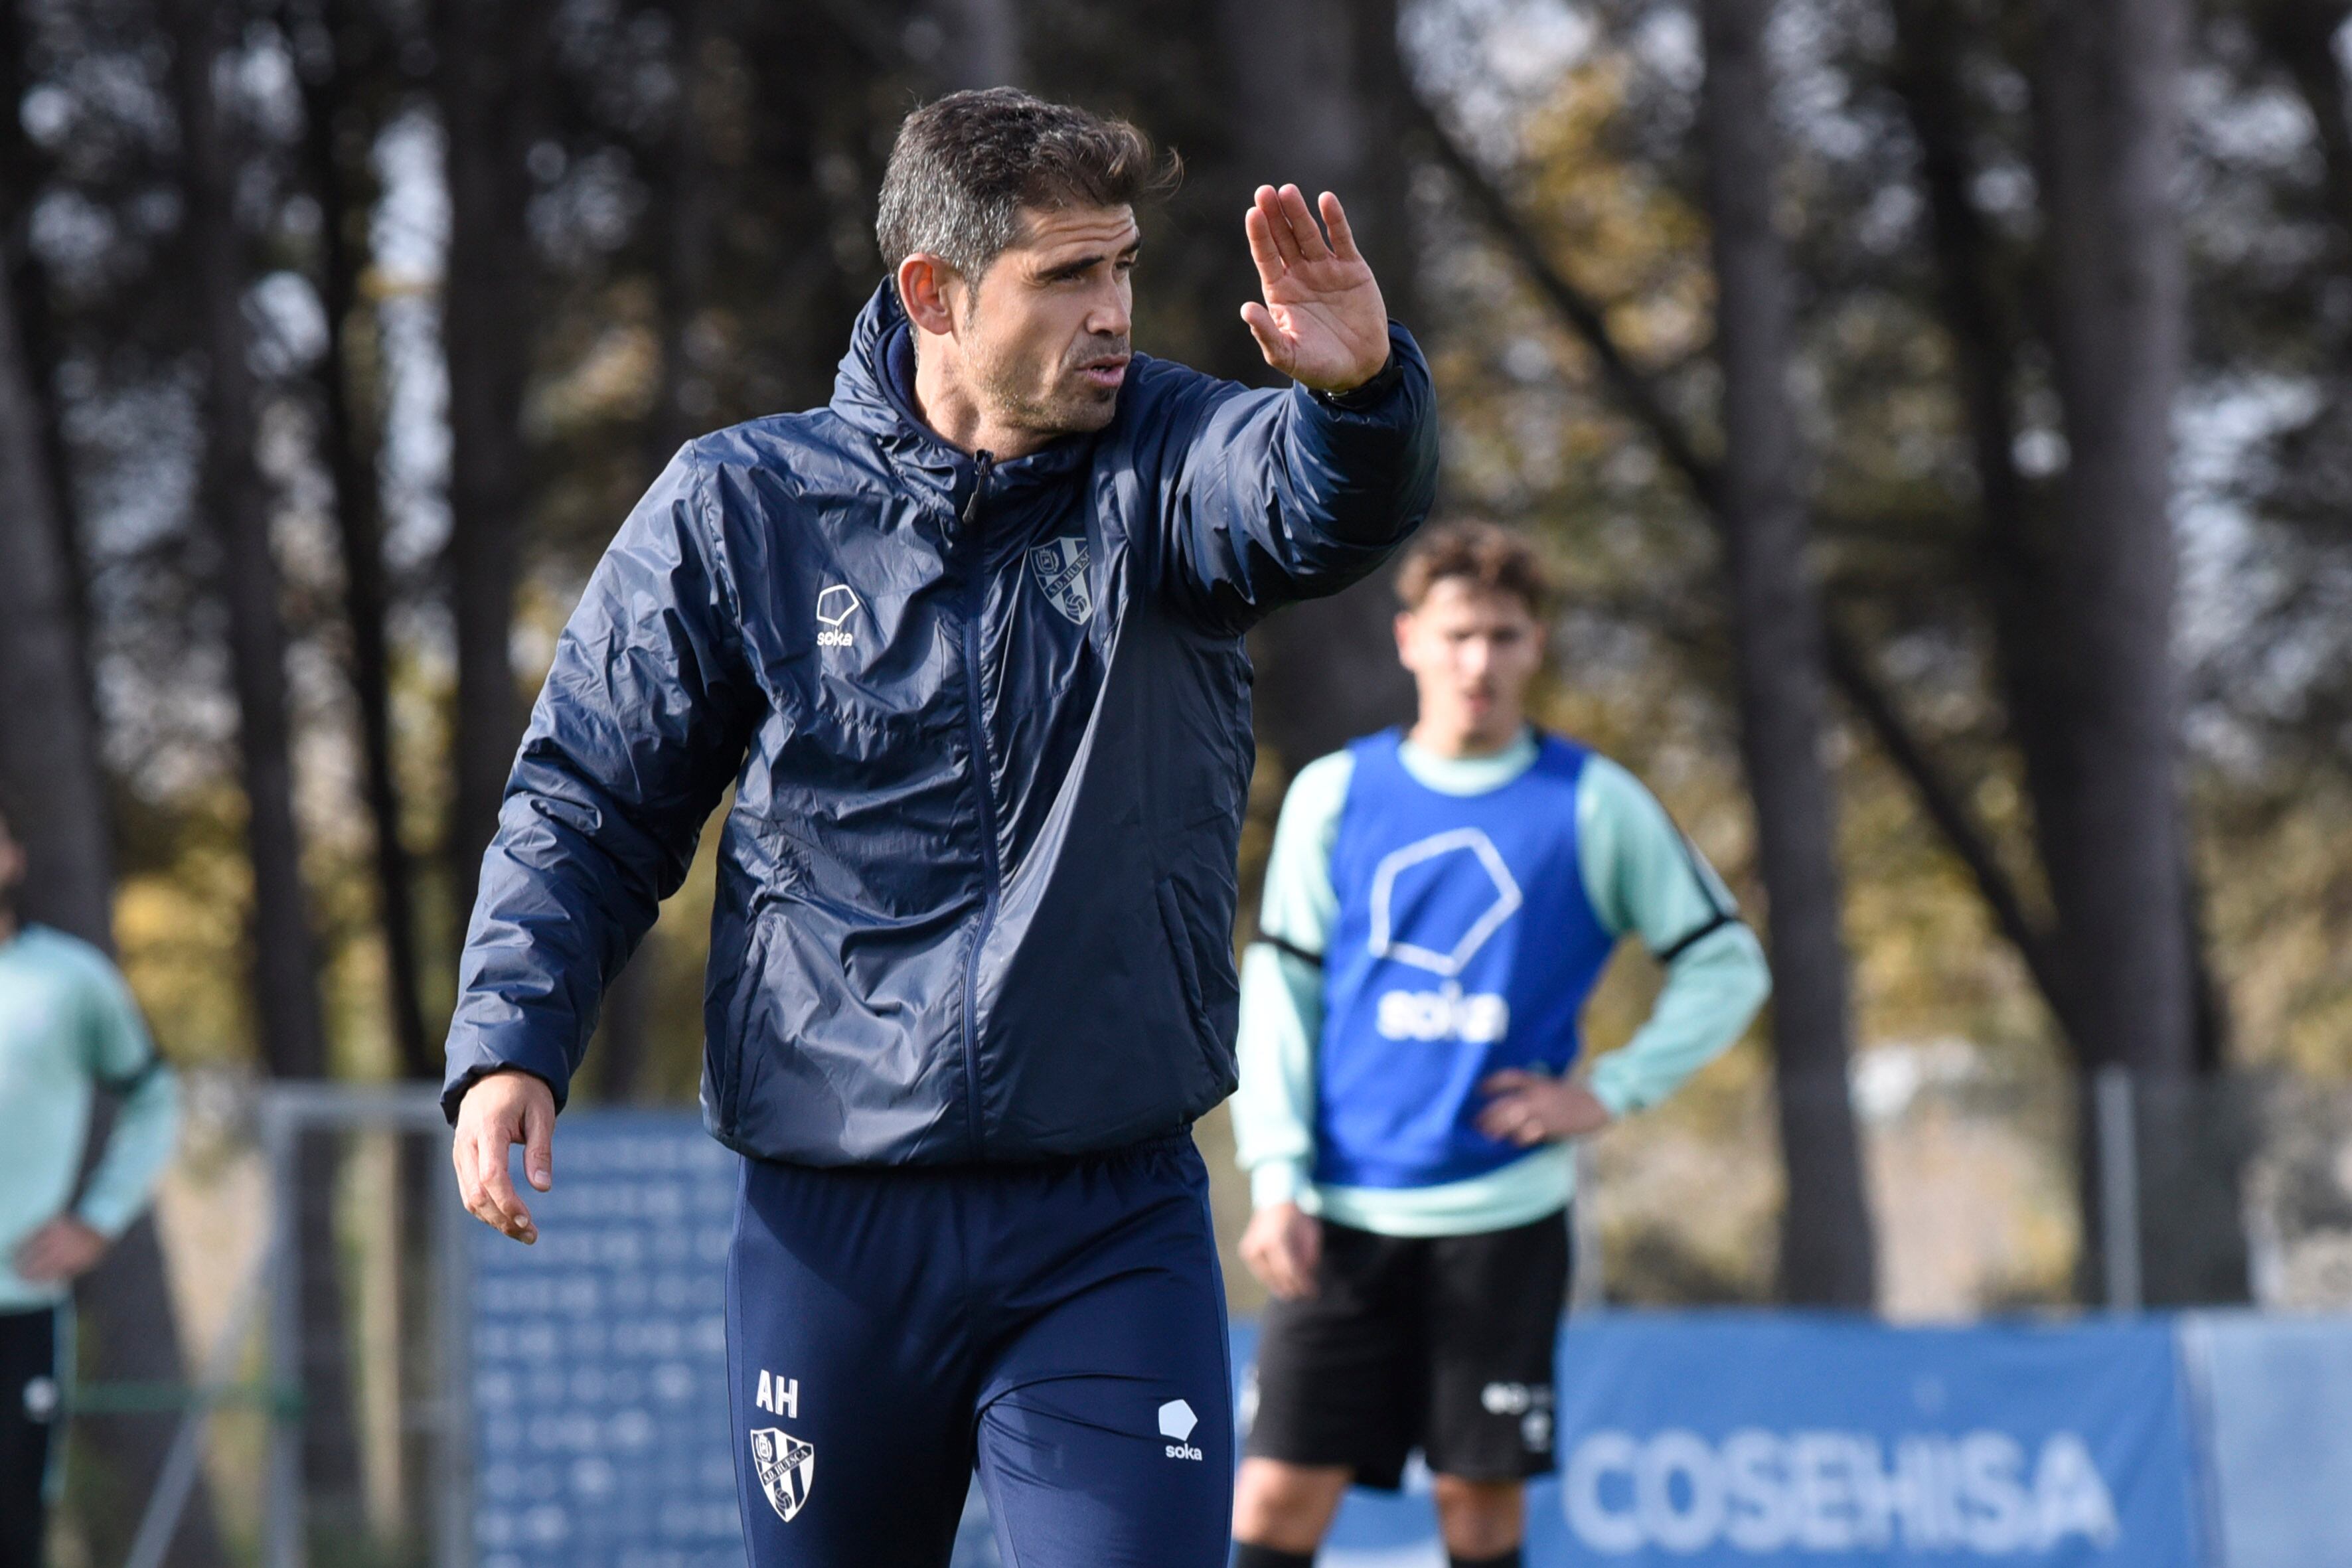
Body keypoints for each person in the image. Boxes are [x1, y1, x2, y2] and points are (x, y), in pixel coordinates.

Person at [440, 89, 1436, 1567]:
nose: (1113, 313)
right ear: (934, 292)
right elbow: (587, 799)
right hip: (831, 1225)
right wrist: (509, 1039)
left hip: (1105, 1218)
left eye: (1120, 270)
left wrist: (1356, 402)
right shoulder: (739, 507)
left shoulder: (1167, 455)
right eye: (1064, 275)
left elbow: (1302, 504)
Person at [1227, 522, 1772, 1568]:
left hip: (1502, 1222)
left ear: (1535, 646)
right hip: (1336, 1216)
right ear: (1409, 641)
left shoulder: (1592, 803)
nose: (1479, 659)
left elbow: (1724, 963)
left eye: (1504, 635)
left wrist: (1611, 1087)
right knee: (1276, 1500)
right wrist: (1277, 1175)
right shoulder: (1334, 795)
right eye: (1459, 632)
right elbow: (1280, 994)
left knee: (1479, 1514)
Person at [0, 801, 182, 1568]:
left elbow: (154, 1096)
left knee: (14, 1532)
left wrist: (99, 1219)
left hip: (21, 1306)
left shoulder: (70, 980)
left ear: (10, 855)